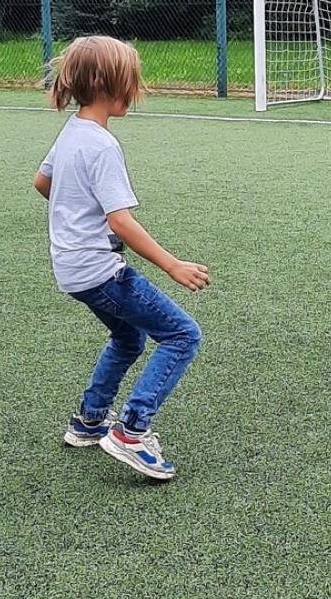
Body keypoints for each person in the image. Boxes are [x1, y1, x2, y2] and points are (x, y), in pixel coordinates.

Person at [34, 35, 209, 481]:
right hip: (100, 271)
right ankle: (132, 430)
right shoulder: (102, 146)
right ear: (110, 84)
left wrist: (74, 210)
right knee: (182, 334)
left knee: (129, 339)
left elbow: (41, 181)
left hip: (71, 269)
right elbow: (120, 222)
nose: (137, 89)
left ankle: (89, 421)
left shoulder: (72, 132)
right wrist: (173, 265)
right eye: (133, 81)